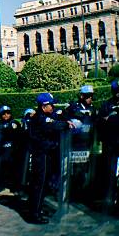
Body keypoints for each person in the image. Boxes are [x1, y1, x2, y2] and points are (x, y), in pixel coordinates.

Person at [26, 92, 74, 224]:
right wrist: (66, 124)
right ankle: (34, 214)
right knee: (39, 184)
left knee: (42, 184)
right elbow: (55, 125)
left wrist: (65, 120)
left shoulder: (44, 116)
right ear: (43, 106)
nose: (53, 107)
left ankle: (37, 209)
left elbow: (58, 118)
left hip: (45, 155)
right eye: (50, 105)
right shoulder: (41, 118)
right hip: (42, 155)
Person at [0, 105, 22, 193]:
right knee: (0, 169)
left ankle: (14, 187)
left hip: (12, 150)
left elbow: (12, 132)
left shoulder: (14, 123)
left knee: (14, 170)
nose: (6, 115)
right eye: (4, 114)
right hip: (2, 150)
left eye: (8, 113)